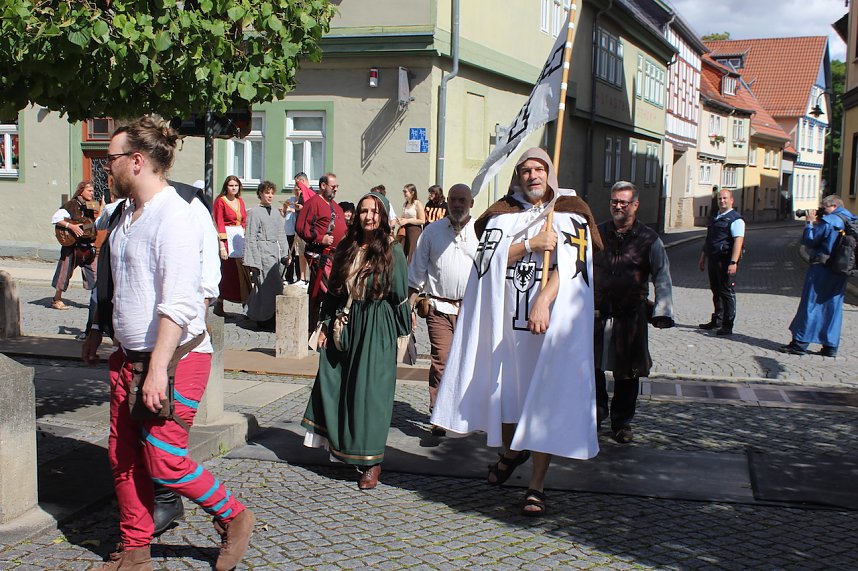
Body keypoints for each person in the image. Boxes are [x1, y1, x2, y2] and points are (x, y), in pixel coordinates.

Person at [90, 116, 254, 571]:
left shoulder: (175, 215)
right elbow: (115, 283)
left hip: (175, 358)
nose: (106, 167)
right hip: (128, 357)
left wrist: (158, 369)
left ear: (136, 161)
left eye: (111, 159)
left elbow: (181, 303)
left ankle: (234, 515)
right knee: (123, 456)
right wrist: (99, 330)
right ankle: (135, 549)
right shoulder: (125, 215)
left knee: (164, 460)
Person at [430, 147, 601, 516]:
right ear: (518, 176)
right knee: (507, 397)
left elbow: (574, 269)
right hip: (505, 326)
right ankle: (510, 451)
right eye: (526, 170)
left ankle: (536, 484)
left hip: (546, 328)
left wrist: (544, 301)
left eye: (539, 169)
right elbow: (485, 262)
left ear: (549, 172)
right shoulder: (502, 215)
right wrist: (530, 244)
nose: (533, 175)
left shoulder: (570, 213)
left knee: (542, 402)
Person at [301, 191, 411, 490]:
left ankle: (372, 462)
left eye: (374, 211)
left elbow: (400, 295)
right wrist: (325, 324)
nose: (368, 216)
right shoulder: (347, 246)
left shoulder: (392, 250)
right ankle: (344, 447)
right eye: (364, 211)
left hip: (378, 324)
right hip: (348, 323)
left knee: (371, 393)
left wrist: (403, 335)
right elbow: (334, 290)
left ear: (382, 216)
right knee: (338, 383)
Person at [593, 181, 674, 444]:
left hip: (630, 314)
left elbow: (662, 275)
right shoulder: (596, 233)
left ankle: (622, 422)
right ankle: (595, 413)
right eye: (614, 201)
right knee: (591, 367)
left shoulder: (649, 239)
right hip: (597, 313)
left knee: (628, 371)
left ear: (635, 205)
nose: (618, 206)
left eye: (623, 202)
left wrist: (663, 309)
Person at [407, 184, 477, 434]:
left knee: (469, 362)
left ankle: (466, 412)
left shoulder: (480, 232)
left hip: (471, 309)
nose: (457, 205)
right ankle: (438, 412)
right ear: (447, 202)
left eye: (462, 200)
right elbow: (416, 271)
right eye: (453, 200)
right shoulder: (432, 232)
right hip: (439, 306)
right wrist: (409, 306)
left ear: (471, 203)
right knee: (442, 360)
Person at [781, 195, 857, 357]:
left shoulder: (830, 221)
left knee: (811, 304)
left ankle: (799, 343)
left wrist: (809, 223)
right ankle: (830, 346)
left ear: (834, 205)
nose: (822, 211)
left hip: (822, 268)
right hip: (841, 270)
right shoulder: (851, 219)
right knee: (833, 307)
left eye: (824, 207)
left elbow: (810, 241)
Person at [296, 173, 347, 333]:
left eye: (337, 186)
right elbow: (301, 227)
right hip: (320, 255)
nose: (335, 189)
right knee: (328, 291)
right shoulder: (313, 203)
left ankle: (315, 327)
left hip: (335, 256)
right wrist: (320, 238)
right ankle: (318, 327)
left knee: (319, 293)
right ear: (323, 186)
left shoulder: (335, 206)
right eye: (333, 186)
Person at [244, 180, 289, 331]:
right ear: (260, 194)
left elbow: (281, 234)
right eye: (266, 193)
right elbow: (250, 236)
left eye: (271, 193)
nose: (270, 196)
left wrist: (285, 253)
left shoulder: (276, 213)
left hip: (274, 252)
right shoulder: (254, 212)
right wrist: (253, 260)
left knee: (271, 286)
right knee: (267, 286)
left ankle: (256, 312)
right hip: (261, 252)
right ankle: (265, 318)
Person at [698, 188, 744, 336]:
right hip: (713, 259)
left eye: (725, 198)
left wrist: (733, 262)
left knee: (727, 292)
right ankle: (717, 319)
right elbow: (709, 239)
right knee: (716, 291)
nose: (722, 201)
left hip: (726, 261)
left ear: (731, 200)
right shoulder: (715, 217)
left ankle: (727, 325)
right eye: (719, 199)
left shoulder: (736, 219)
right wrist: (703, 257)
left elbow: (738, 241)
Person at [50, 180, 98, 311]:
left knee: (95, 274)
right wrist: (71, 226)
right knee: (64, 273)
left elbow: (96, 218)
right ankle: (56, 299)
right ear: (81, 191)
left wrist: (105, 205)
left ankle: (97, 301)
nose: (92, 193)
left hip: (87, 245)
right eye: (89, 190)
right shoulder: (71, 204)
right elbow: (56, 218)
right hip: (72, 246)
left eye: (93, 191)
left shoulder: (90, 205)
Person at [213, 175, 251, 316]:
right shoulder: (220, 201)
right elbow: (219, 222)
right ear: (226, 187)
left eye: (236, 185)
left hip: (238, 238)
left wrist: (244, 235)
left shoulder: (240, 201)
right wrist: (222, 246)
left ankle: (246, 304)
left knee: (243, 271)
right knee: (227, 273)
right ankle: (220, 303)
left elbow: (244, 221)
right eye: (231, 185)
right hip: (226, 240)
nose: (234, 188)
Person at [398, 183, 426, 262]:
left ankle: (411, 269)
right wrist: (400, 220)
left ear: (412, 192)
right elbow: (404, 217)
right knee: (402, 251)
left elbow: (422, 220)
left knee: (412, 253)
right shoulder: (405, 204)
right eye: (403, 191)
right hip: (405, 230)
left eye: (405, 191)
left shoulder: (417, 203)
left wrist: (407, 221)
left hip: (414, 230)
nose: (404, 193)